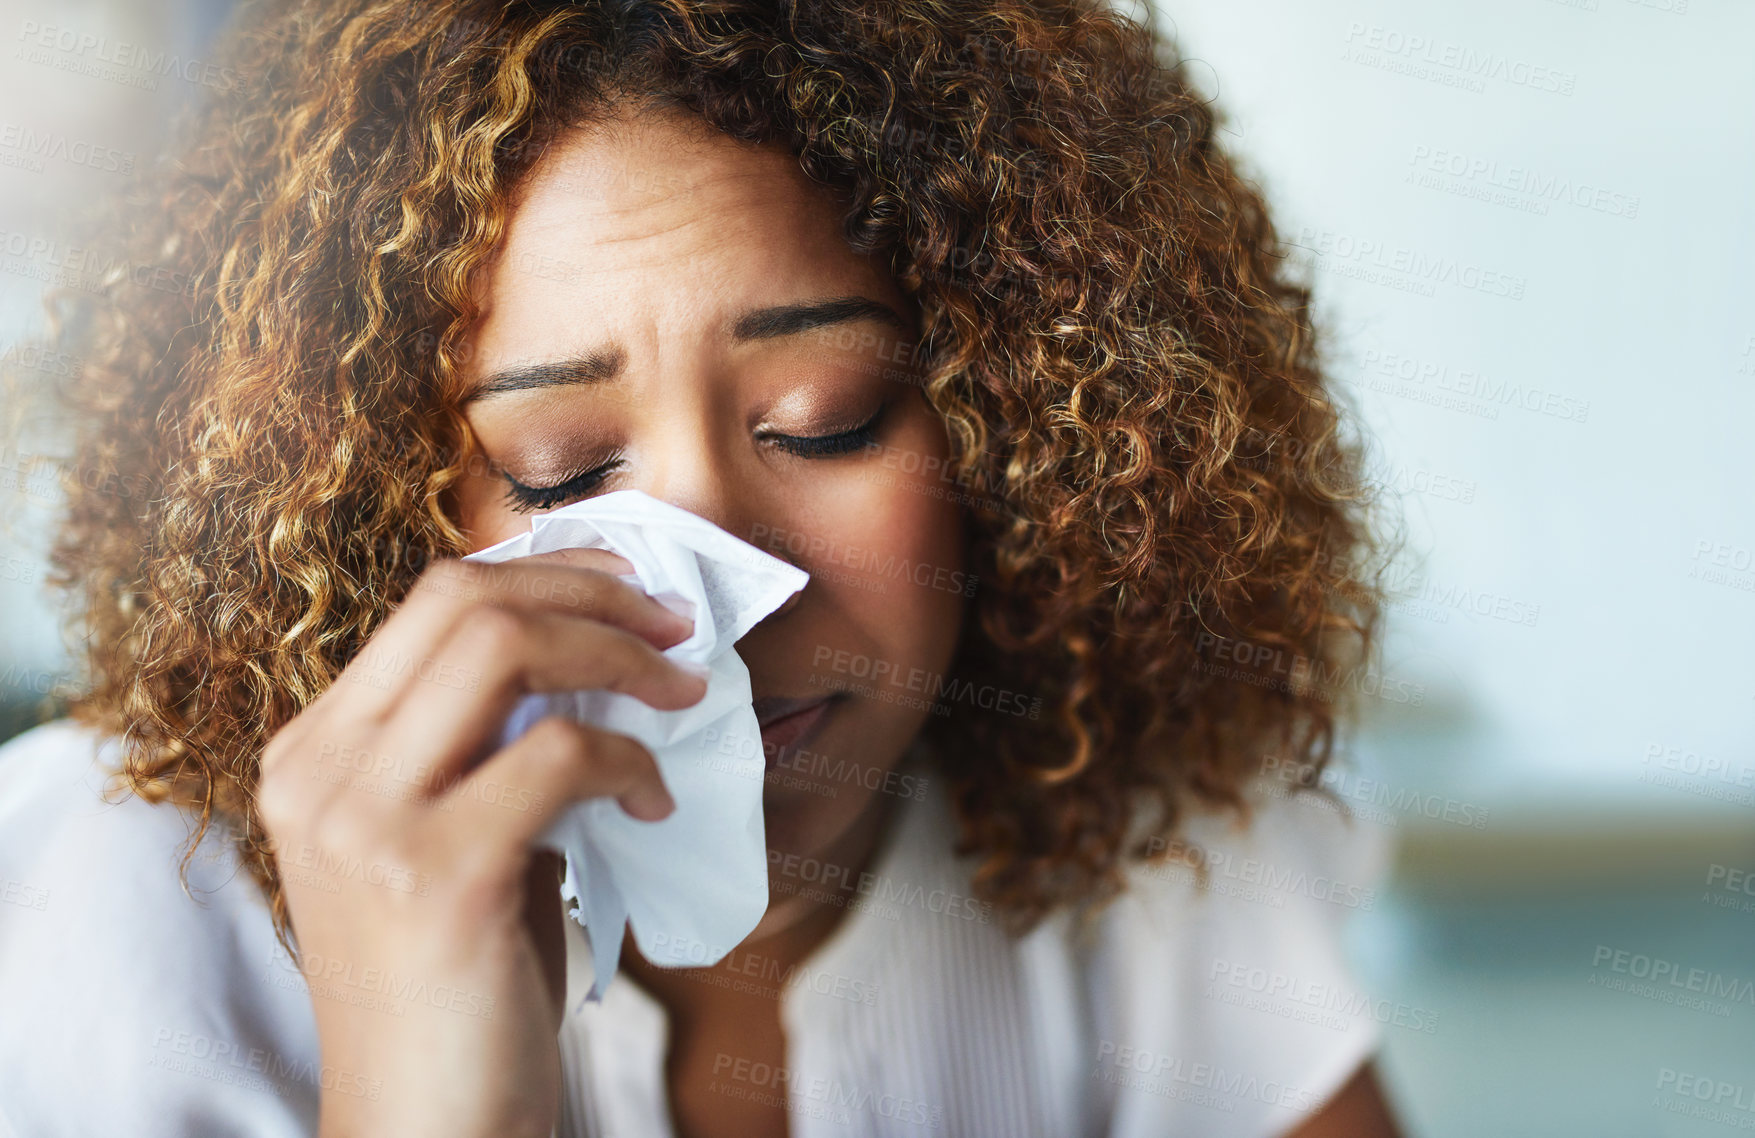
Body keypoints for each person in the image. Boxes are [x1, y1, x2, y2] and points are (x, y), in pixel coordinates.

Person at [0, 1, 1401, 1135]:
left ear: (1010, 425)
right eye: (557, 469)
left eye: (827, 419)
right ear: (373, 511)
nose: (713, 597)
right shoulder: (114, 916)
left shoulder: (1145, 838)